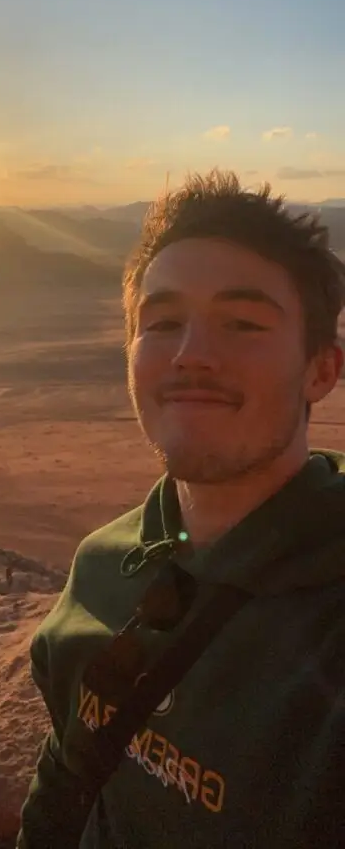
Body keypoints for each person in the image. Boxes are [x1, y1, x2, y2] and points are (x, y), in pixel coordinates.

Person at [17, 170, 345, 848]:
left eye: (243, 323)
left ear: (322, 370)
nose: (193, 355)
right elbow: (67, 771)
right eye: (162, 323)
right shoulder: (102, 568)